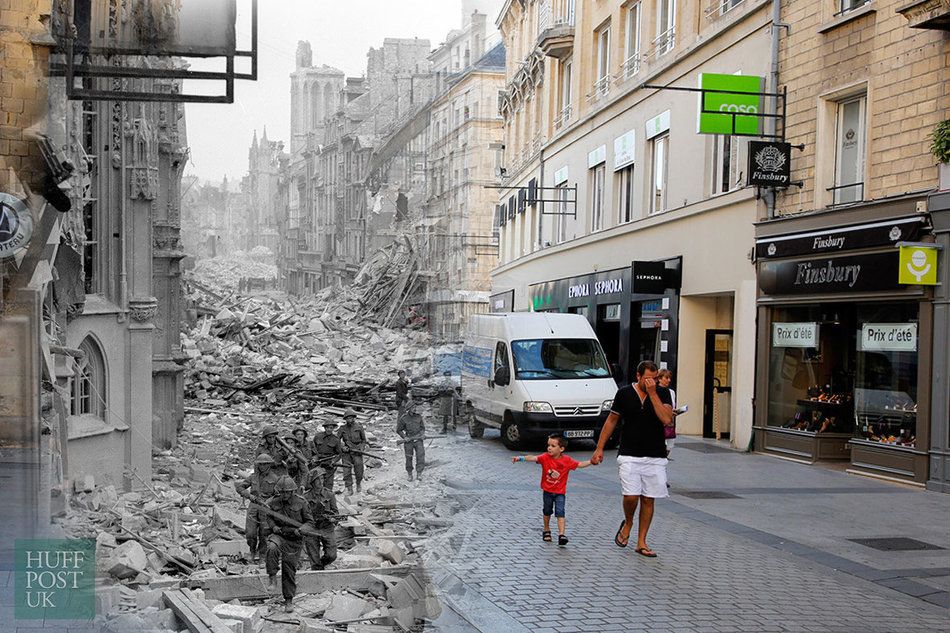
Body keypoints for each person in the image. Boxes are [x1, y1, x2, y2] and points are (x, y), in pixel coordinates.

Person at [591, 360, 673, 558]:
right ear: (638, 376)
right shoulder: (625, 393)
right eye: (647, 379)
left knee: (648, 499)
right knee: (631, 496)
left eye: (654, 378)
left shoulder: (662, 393)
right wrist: (599, 448)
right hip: (629, 452)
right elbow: (612, 420)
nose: (651, 382)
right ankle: (628, 522)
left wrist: (653, 394)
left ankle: (642, 541)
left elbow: (667, 419)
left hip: (655, 454)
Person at [511, 434, 593, 546]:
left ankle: (561, 535)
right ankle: (546, 529)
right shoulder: (545, 457)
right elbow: (533, 458)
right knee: (547, 511)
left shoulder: (567, 460)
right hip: (547, 491)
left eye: (553, 446)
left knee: (560, 512)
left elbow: (579, 464)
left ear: (561, 449)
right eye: (548, 445)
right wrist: (520, 458)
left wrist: (591, 462)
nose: (549, 448)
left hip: (560, 493)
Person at [263, 476, 314, 613]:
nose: (285, 495)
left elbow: (310, 523)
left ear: (293, 491)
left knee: (289, 569)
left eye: (288, 492)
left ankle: (289, 600)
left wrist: (302, 530)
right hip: (279, 535)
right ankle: (272, 577)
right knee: (272, 547)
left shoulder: (302, 503)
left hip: (294, 540)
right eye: (283, 492)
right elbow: (269, 516)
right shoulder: (274, 502)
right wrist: (273, 526)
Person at [236, 453, 281, 563]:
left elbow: (279, 495)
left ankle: (262, 555)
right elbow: (240, 487)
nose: (263, 467)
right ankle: (252, 550)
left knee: (264, 532)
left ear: (269, 465)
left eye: (265, 464)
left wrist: (270, 501)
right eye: (260, 464)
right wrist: (248, 495)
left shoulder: (275, 478)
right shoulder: (253, 476)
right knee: (250, 532)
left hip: (266, 507)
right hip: (253, 505)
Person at [303, 467, 338, 570]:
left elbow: (336, 512)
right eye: (318, 479)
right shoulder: (306, 497)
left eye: (322, 479)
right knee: (313, 555)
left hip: (326, 527)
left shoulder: (329, 494)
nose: (320, 482)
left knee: (332, 555)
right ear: (313, 482)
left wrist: (332, 518)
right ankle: (316, 569)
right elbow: (303, 515)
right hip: (312, 527)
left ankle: (320, 565)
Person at [337, 408, 367, 494]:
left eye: (351, 418)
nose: (349, 420)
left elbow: (364, 440)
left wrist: (361, 448)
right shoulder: (342, 428)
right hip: (346, 452)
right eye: (347, 418)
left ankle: (358, 483)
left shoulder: (359, 427)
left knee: (359, 469)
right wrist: (342, 447)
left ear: (354, 418)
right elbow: (337, 440)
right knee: (346, 470)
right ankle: (349, 488)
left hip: (357, 451)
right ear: (345, 419)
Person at [396, 398, 426, 481]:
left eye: (415, 407)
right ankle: (410, 474)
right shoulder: (404, 418)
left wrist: (422, 434)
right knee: (409, 458)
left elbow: (422, 428)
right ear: (409, 409)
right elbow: (398, 430)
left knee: (420, 457)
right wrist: (404, 437)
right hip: (408, 441)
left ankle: (419, 473)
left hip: (418, 440)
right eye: (413, 408)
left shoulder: (419, 417)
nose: (415, 409)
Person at [311, 419, 344, 491]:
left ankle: (328, 499)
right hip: (318, 463)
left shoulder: (336, 439)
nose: (329, 429)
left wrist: (334, 461)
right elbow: (312, 449)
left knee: (328, 485)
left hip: (329, 464)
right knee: (316, 482)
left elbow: (339, 454)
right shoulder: (317, 436)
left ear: (333, 429)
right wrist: (314, 458)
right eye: (327, 427)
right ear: (324, 428)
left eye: (331, 428)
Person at [657, 369, 677, 459]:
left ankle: (664, 456)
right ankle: (661, 457)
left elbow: (671, 405)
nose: (669, 380)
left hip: (670, 421)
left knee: (670, 441)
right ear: (659, 379)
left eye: (669, 378)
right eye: (666, 378)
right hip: (660, 420)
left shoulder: (671, 392)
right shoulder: (655, 391)